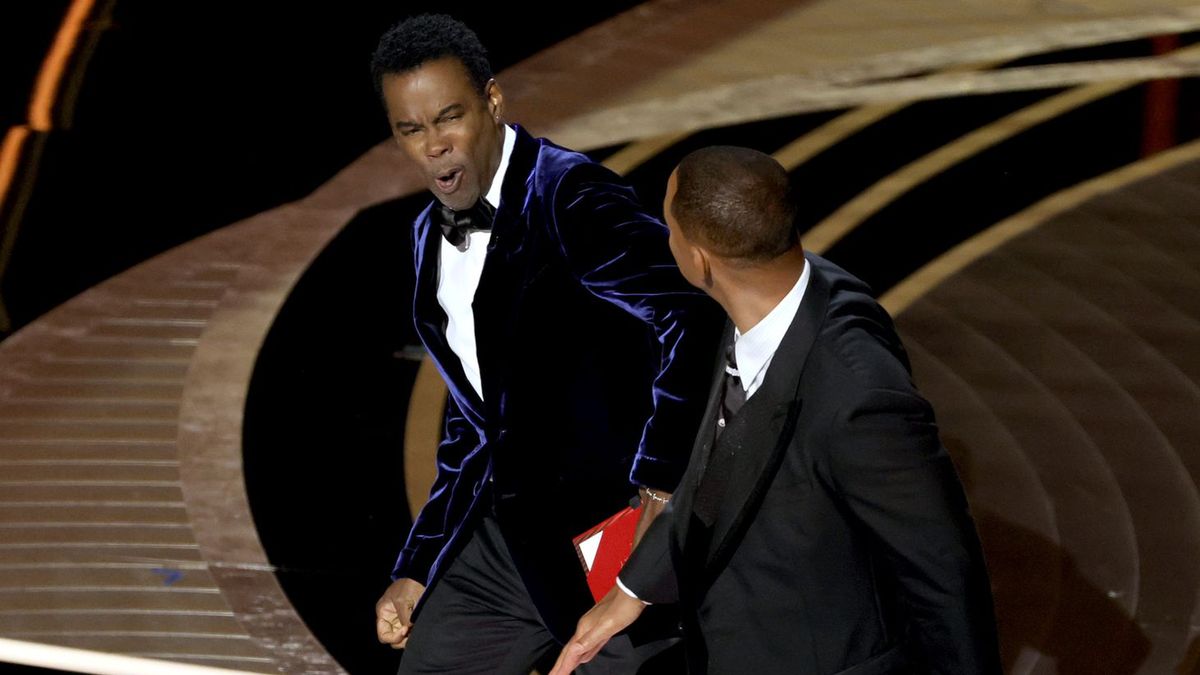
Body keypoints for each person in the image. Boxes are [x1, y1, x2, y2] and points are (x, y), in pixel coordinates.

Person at [550, 146, 1003, 675]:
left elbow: (944, 576)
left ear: (698, 260)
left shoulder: (861, 400)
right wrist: (632, 589)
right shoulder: (775, 292)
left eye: (668, 225)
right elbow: (718, 466)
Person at [369, 14, 720, 675]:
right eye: (410, 130)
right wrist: (420, 565)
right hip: (511, 541)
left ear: (493, 101)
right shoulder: (425, 237)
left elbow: (695, 317)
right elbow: (478, 420)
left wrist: (659, 492)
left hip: (612, 541)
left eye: (450, 118)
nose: (435, 146)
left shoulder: (572, 196)